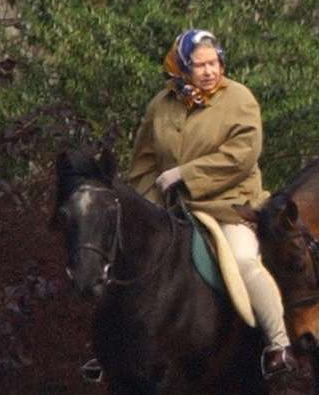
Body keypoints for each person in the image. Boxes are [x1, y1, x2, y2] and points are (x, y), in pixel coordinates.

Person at [127, 28, 297, 376]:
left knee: (244, 261)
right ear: (181, 68)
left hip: (228, 205)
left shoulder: (240, 98)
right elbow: (142, 162)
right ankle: (117, 350)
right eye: (199, 65)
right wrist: (149, 203)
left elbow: (242, 156)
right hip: (171, 210)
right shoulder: (161, 104)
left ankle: (279, 345)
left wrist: (185, 175)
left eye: (214, 63)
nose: (209, 71)